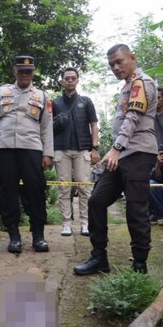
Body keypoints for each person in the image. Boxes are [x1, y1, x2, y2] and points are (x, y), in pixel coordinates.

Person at [73, 44, 157, 276]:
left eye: (119, 62)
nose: (116, 67)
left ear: (132, 58)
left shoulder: (142, 82)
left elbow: (133, 117)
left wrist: (116, 148)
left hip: (138, 152)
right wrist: (113, 151)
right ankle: (99, 257)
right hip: (121, 153)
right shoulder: (127, 87)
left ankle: (140, 263)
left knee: (136, 207)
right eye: (112, 64)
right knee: (96, 201)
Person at [0, 55, 53, 253]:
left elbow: (47, 126)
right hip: (5, 149)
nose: (24, 74)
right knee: (7, 191)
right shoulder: (1, 92)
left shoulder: (42, 95)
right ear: (14, 71)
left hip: (31, 148)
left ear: (33, 73)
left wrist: (48, 153)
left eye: (28, 71)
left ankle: (38, 235)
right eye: (21, 70)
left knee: (36, 191)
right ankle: (14, 235)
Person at [52, 67, 99, 237]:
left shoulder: (86, 101)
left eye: (73, 78)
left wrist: (95, 148)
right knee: (64, 188)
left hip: (82, 150)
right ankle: (66, 223)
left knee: (84, 187)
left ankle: (85, 223)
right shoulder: (55, 102)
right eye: (67, 78)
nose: (70, 81)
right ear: (62, 81)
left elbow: (93, 125)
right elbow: (47, 127)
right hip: (61, 150)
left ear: (78, 80)